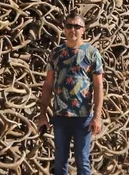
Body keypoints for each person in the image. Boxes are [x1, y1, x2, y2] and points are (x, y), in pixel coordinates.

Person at [35, 12, 105, 175]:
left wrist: (97, 116)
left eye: (77, 26)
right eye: (69, 26)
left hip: (83, 117)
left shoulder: (92, 53)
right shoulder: (56, 53)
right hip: (60, 117)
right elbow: (48, 84)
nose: (73, 29)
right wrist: (43, 114)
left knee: (83, 162)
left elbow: (98, 86)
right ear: (64, 29)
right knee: (60, 162)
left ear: (83, 30)